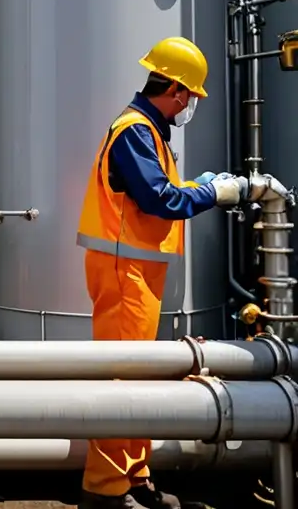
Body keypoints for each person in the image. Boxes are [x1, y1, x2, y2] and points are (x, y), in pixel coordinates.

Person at [75, 37, 251, 509]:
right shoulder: (135, 130)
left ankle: (134, 478)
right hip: (122, 267)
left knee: (138, 379)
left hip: (135, 267)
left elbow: (161, 193)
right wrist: (212, 193)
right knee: (120, 380)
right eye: (190, 95)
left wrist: (200, 186)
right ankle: (105, 490)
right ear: (173, 88)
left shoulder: (147, 130)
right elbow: (161, 199)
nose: (190, 104)